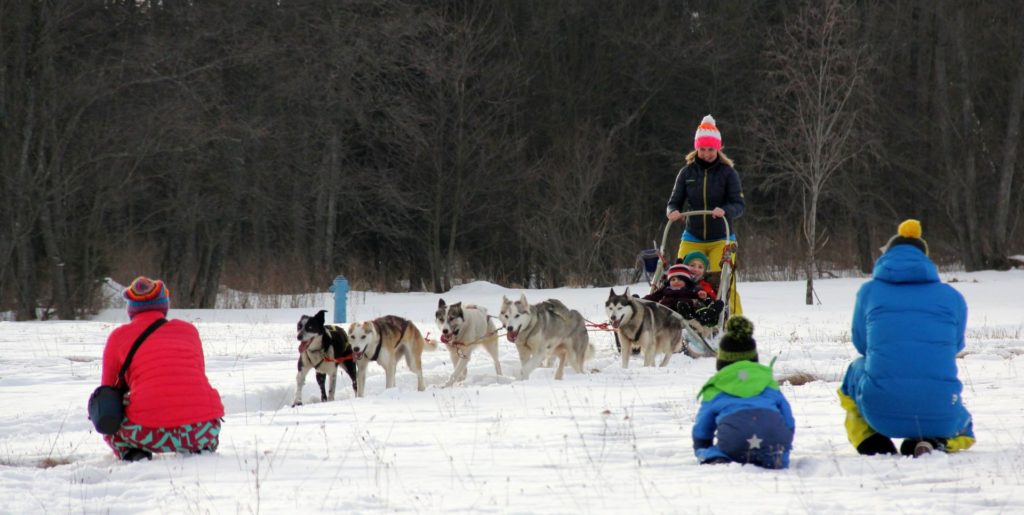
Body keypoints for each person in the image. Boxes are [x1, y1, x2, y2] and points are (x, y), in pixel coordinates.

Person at [838, 220, 975, 457]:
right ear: (926, 259)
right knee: (963, 426)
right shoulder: (952, 296)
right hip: (941, 411)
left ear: (887, 256)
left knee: (855, 369)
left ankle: (870, 440)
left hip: (879, 412)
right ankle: (935, 442)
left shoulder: (869, 292)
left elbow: (862, 345)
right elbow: (955, 346)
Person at [99, 277, 224, 461]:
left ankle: (132, 452)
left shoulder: (118, 337)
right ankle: (200, 448)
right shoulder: (188, 331)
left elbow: (107, 392)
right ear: (164, 306)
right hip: (203, 429)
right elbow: (198, 374)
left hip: (146, 433)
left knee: (107, 411)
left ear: (131, 309)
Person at [666, 114, 744, 315]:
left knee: (725, 283)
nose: (706, 153)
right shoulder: (687, 173)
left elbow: (739, 204)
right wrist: (673, 212)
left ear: (717, 148)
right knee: (679, 278)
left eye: (710, 149)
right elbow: (673, 201)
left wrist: (726, 210)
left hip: (722, 237)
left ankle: (735, 325)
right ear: (696, 148)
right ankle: (680, 319)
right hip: (693, 236)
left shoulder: (728, 173)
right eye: (702, 149)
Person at [692, 316, 795, 468]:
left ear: (722, 361)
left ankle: (716, 457)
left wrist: (702, 445)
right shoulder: (768, 382)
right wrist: (784, 440)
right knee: (774, 453)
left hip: (734, 441)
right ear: (754, 358)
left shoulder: (716, 386)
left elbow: (703, 425)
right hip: (774, 439)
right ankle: (776, 458)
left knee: (714, 450)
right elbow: (788, 419)